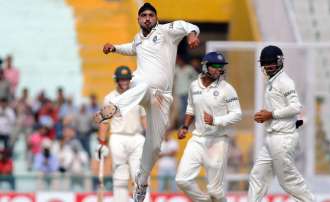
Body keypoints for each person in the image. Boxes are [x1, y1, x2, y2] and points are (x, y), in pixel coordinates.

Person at [96, 2, 200, 201]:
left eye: (151, 15)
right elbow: (131, 48)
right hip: (141, 89)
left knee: (154, 146)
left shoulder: (166, 31)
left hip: (162, 97)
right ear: (138, 19)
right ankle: (115, 107)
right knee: (141, 85)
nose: (147, 18)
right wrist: (115, 48)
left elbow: (188, 25)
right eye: (143, 15)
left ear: (156, 17)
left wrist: (192, 35)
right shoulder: (138, 39)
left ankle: (141, 181)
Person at [248, 45, 314, 202]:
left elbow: (296, 106)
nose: (268, 66)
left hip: (282, 139)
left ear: (279, 62)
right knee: (257, 176)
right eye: (265, 63)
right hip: (272, 138)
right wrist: (270, 115)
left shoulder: (284, 81)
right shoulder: (272, 81)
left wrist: (270, 114)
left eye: (271, 62)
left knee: (288, 181)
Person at [175, 52, 242, 202]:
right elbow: (191, 108)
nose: (219, 69)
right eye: (216, 66)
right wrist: (185, 126)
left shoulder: (227, 88)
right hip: (198, 138)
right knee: (182, 180)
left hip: (217, 141)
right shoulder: (194, 86)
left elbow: (237, 114)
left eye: (221, 67)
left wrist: (216, 120)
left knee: (215, 191)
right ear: (205, 67)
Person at [97, 66, 149, 202]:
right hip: (118, 138)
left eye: (126, 79)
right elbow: (104, 122)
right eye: (121, 79)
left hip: (137, 138)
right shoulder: (109, 98)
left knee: (139, 175)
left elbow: (144, 118)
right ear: (116, 80)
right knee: (120, 175)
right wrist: (101, 143)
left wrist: (150, 138)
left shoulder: (137, 96)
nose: (124, 82)